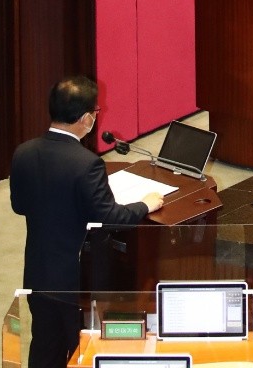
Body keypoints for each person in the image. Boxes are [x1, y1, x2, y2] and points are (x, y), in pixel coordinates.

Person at [10, 76, 163, 368]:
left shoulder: (23, 153)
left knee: (44, 346)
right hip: (73, 280)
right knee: (77, 348)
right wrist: (146, 203)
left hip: (38, 274)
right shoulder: (86, 163)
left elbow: (20, 206)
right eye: (96, 111)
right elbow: (110, 217)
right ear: (86, 118)